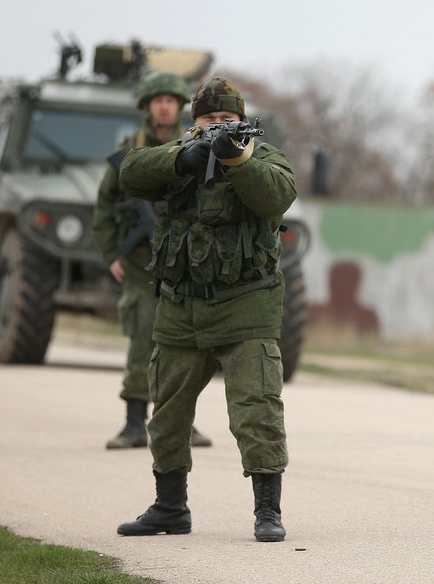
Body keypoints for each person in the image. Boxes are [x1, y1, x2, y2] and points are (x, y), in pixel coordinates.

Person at [115, 77, 296, 542]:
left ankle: (267, 511)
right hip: (180, 308)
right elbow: (130, 173)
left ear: (241, 121)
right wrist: (183, 157)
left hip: (246, 306)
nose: (218, 126)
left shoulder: (263, 156)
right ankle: (170, 507)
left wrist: (236, 158)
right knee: (168, 413)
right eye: (209, 120)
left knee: (256, 410)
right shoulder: (177, 154)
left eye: (227, 120)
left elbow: (277, 194)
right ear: (192, 123)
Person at [93, 71, 213, 450]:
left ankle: (180, 421)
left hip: (184, 262)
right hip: (140, 262)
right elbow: (103, 208)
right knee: (143, 336)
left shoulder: (196, 144)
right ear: (148, 106)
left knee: (186, 344)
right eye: (157, 100)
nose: (164, 106)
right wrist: (113, 254)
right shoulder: (130, 150)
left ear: (179, 106)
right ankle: (133, 422)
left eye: (170, 100)